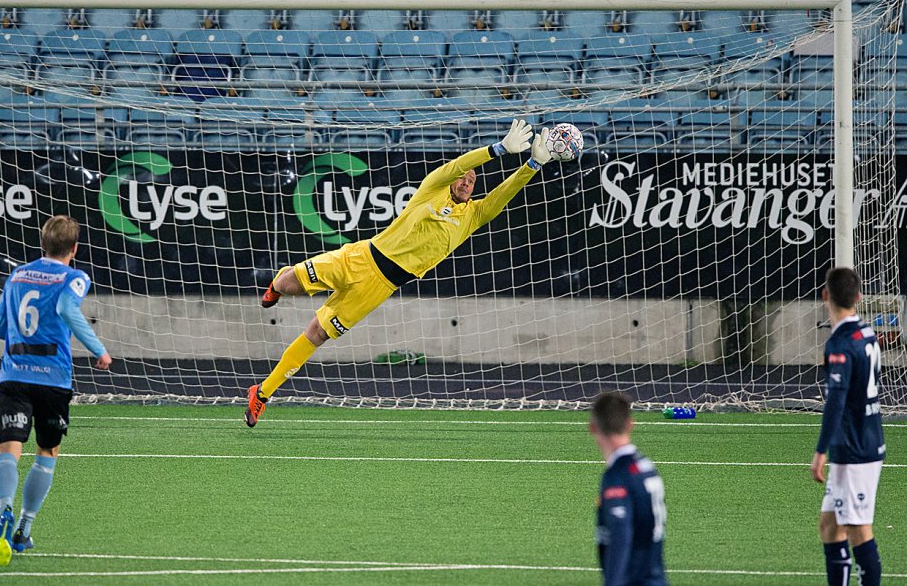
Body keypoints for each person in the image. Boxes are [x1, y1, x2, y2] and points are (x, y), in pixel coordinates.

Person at [246, 119, 561, 427]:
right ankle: (277, 282)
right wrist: (498, 150)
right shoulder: (432, 189)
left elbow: (503, 194)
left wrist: (532, 164)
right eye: (463, 179)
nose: (466, 182)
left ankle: (261, 393)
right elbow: (457, 165)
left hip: (380, 286)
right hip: (361, 257)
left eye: (472, 181)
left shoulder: (473, 216)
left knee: (318, 333)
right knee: (289, 283)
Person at [0, 215, 113, 566]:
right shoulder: (74, 277)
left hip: (13, 375)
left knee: (8, 448)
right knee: (47, 450)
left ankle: (4, 510)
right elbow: (65, 308)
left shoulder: (15, 276)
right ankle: (24, 529)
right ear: (74, 249)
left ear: (42, 243)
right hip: (52, 379)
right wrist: (99, 350)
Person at [813, 266, 884, 586]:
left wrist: (820, 450)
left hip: (855, 447)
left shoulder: (839, 343)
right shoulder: (868, 333)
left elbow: (836, 402)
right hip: (865, 439)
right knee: (830, 526)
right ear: (858, 297)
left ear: (825, 295)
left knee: (858, 528)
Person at [590, 391, 668, 586]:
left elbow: (620, 536)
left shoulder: (617, 476)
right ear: (630, 424)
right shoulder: (646, 466)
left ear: (592, 428)